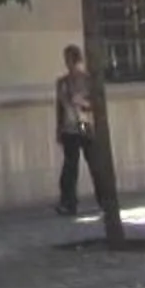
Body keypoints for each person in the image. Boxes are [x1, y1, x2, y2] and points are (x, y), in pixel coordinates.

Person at [53, 44, 96, 217]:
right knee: (70, 166)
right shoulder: (62, 83)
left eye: (69, 59)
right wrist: (59, 127)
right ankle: (68, 202)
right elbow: (59, 107)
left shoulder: (87, 80)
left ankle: (104, 199)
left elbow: (94, 104)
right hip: (69, 126)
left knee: (93, 162)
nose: (68, 63)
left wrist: (83, 104)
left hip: (83, 123)